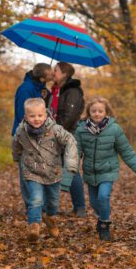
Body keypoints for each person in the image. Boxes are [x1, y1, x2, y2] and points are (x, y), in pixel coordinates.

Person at [75, 96, 136, 241]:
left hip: (108, 171)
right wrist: (68, 171)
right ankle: (103, 214)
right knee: (93, 203)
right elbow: (75, 154)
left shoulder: (114, 129)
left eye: (100, 111)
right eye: (94, 111)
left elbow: (127, 153)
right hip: (90, 173)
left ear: (106, 112)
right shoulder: (81, 130)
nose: (97, 114)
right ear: (89, 112)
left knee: (103, 197)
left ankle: (104, 225)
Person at [12, 98, 78, 242]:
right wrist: (17, 157)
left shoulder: (55, 129)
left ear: (46, 114)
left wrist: (71, 163)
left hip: (52, 172)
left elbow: (70, 141)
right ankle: (34, 226)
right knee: (35, 199)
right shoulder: (21, 130)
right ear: (26, 116)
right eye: (32, 116)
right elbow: (16, 143)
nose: (36, 119)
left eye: (40, 115)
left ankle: (50, 218)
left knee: (53, 202)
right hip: (32, 172)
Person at [12, 63, 53, 208]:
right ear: (42, 78)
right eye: (50, 74)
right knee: (26, 171)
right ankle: (31, 206)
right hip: (25, 135)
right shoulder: (25, 89)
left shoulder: (43, 89)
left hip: (42, 135)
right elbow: (20, 114)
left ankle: (41, 205)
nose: (53, 75)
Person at [49, 62, 86, 217]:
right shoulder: (55, 90)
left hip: (68, 135)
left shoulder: (73, 91)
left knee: (71, 169)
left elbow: (69, 116)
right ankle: (51, 206)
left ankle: (80, 208)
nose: (53, 73)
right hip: (56, 133)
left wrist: (57, 132)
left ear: (64, 73)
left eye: (56, 70)